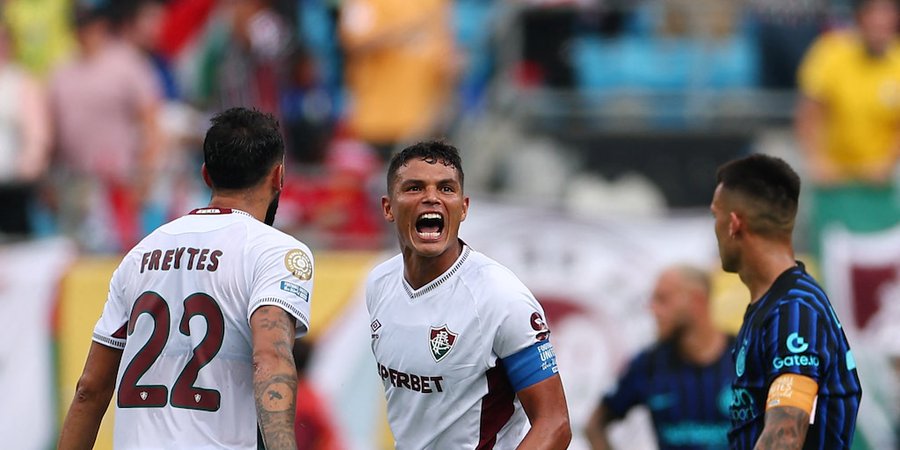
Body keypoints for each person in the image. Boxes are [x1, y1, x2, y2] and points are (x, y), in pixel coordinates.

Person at [58, 107, 313, 450]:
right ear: (278, 176)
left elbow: (90, 389)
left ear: (206, 175)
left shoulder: (139, 254)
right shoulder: (275, 251)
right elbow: (270, 358)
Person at [366, 140, 571, 449]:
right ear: (388, 208)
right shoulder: (379, 283)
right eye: (414, 188)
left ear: (463, 208)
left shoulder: (500, 297)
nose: (431, 198)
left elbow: (554, 423)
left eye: (446, 188)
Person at [710, 154, 862, 449]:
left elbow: (786, 435)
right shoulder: (773, 305)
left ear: (734, 224)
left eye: (715, 215)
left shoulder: (793, 311)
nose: (714, 227)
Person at [585, 265, 734, 450]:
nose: (652, 309)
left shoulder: (745, 358)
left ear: (697, 301)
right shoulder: (649, 364)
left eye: (662, 299)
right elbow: (595, 424)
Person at [795, 0, 900, 257]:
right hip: (834, 180)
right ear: (859, 18)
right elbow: (809, 114)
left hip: (881, 182)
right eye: (874, 14)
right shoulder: (830, 52)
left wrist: (887, 162)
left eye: (888, 14)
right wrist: (818, 160)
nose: (881, 22)